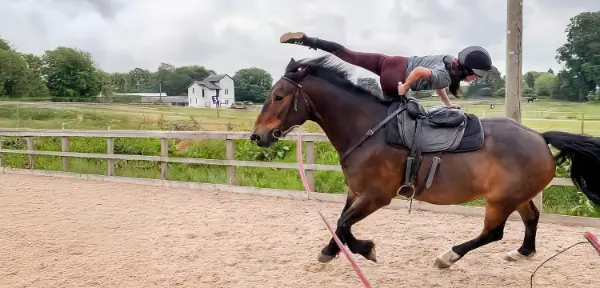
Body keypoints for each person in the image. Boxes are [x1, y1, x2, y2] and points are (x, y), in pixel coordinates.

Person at [279, 32, 498, 108]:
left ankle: (309, 40)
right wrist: (405, 87)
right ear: (466, 70)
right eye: (473, 75)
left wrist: (449, 104)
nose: (472, 80)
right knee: (394, 117)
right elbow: (421, 72)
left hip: (389, 62)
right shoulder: (444, 75)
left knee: (349, 54)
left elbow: (437, 81)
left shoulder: (449, 61)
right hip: (396, 77)